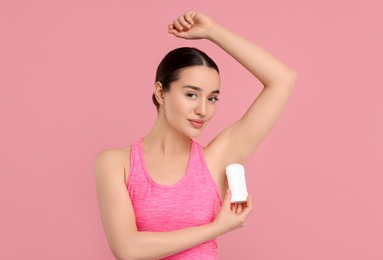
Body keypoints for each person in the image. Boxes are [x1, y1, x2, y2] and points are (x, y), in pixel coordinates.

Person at [94, 10, 297, 260]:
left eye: (212, 98)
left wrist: (212, 31)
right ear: (161, 93)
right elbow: (127, 249)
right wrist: (216, 228)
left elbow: (283, 79)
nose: (203, 109)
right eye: (191, 94)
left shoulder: (216, 159)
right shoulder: (116, 163)